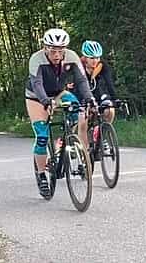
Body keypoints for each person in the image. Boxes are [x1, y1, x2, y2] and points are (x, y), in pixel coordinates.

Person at [25, 28, 95, 197]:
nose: (56, 55)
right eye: (52, 51)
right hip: (36, 97)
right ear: (45, 48)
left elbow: (81, 80)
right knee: (42, 136)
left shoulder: (72, 57)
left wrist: (89, 98)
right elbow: (37, 84)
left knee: (78, 111)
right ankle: (41, 175)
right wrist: (45, 101)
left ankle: (66, 140)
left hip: (59, 93)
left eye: (60, 51)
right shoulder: (36, 59)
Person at [80, 40, 117, 124]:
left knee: (110, 109)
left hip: (98, 94)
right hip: (82, 95)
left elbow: (109, 83)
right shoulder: (79, 66)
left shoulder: (102, 66)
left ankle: (105, 129)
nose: (95, 61)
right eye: (92, 58)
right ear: (85, 58)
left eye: (97, 58)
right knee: (85, 115)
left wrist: (115, 98)